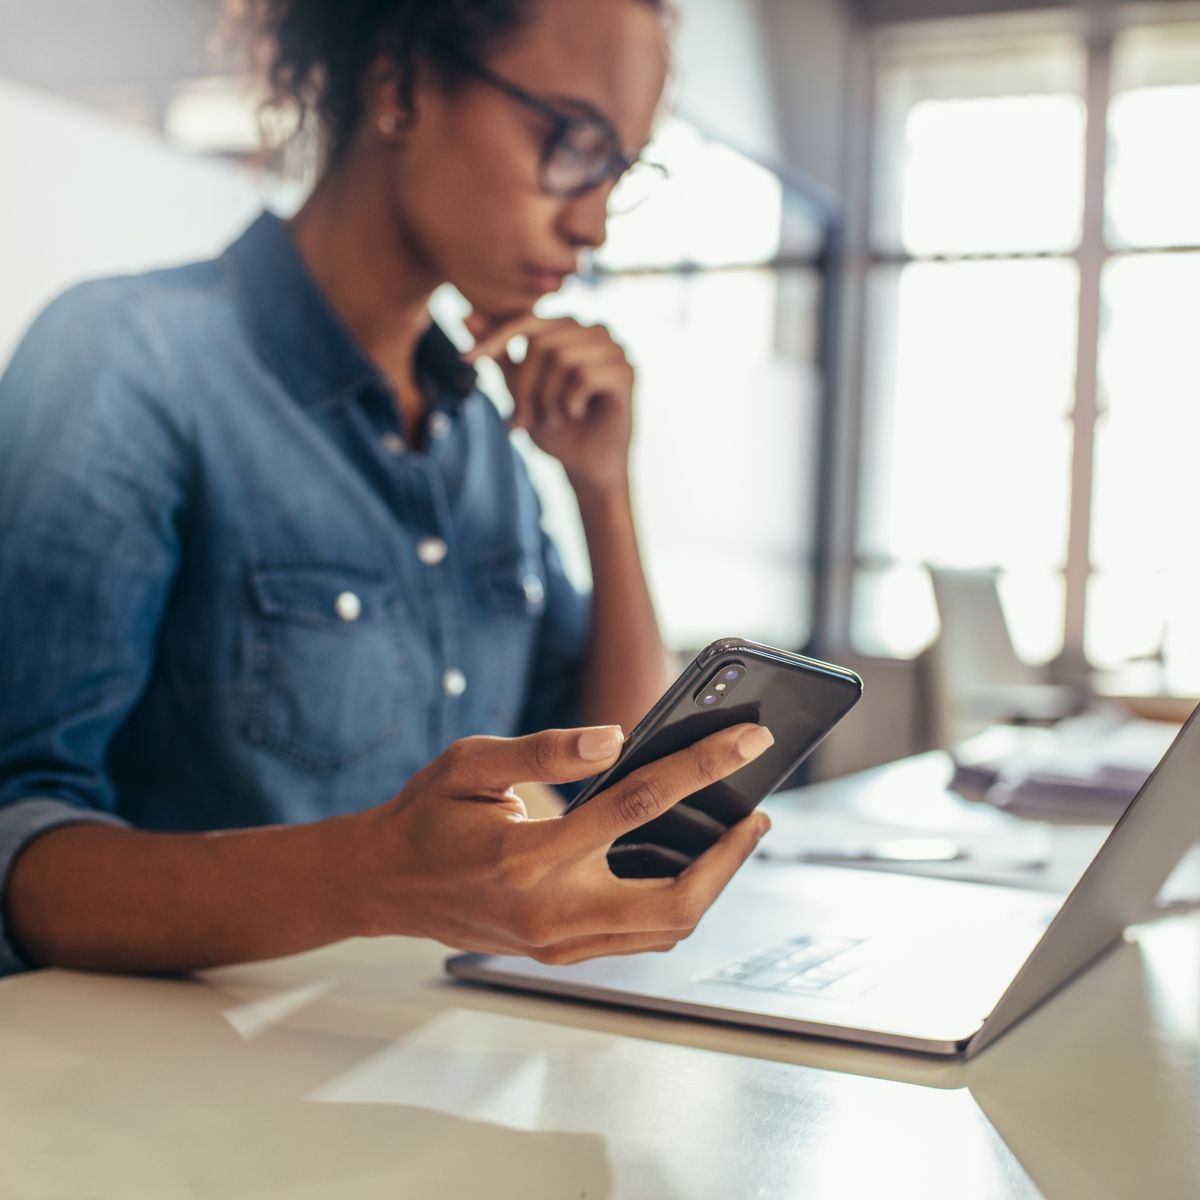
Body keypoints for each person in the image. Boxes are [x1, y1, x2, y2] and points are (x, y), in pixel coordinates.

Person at [0, 0, 773, 977]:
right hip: (175, 1089)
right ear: (400, 83)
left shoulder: (476, 434)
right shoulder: (131, 360)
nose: (591, 221)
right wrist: (376, 879)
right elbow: (17, 845)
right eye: (571, 140)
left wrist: (602, 489)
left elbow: (617, 783)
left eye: (619, 166)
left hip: (412, 1062)